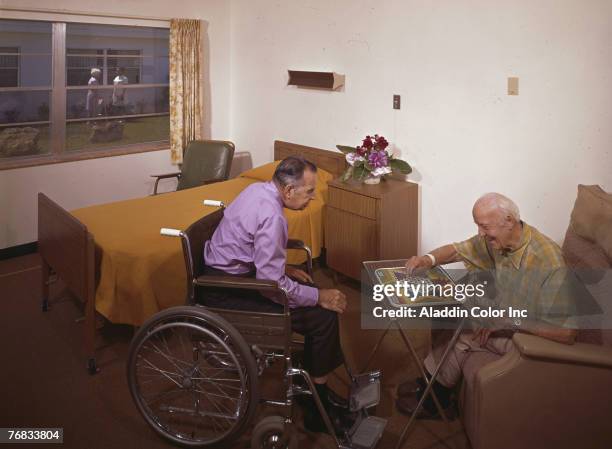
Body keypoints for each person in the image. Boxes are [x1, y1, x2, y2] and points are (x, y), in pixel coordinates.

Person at [202, 156, 353, 434]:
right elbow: (270, 284)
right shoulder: (273, 215)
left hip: (223, 271)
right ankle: (315, 404)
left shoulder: (257, 189)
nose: (312, 198)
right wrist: (316, 297)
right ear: (288, 190)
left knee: (314, 293)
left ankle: (311, 385)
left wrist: (285, 266)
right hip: (229, 290)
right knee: (322, 315)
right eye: (309, 192)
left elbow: (250, 245)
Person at [396, 192, 577, 418]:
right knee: (447, 310)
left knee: (464, 328)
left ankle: (437, 401)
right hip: (505, 312)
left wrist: (510, 321)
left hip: (528, 336)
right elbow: (456, 249)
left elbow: (567, 332)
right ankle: (429, 380)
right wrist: (426, 260)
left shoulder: (549, 261)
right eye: (478, 226)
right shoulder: (500, 238)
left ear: (509, 221)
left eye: (484, 227)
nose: (480, 234)